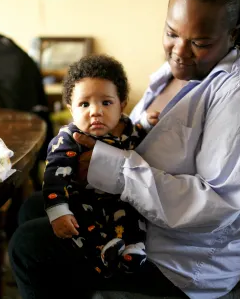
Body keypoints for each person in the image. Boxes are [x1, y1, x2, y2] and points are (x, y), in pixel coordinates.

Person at [8, 0, 240, 298]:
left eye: (199, 41)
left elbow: (217, 206)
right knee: (35, 207)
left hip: (183, 259)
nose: (179, 51)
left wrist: (109, 168)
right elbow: (133, 134)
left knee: (28, 247)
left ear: (234, 34)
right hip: (140, 218)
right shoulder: (174, 72)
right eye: (171, 33)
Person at [43, 54, 159, 276]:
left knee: (132, 212)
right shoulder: (70, 138)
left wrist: (145, 123)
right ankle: (101, 255)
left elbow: (136, 135)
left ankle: (132, 251)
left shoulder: (126, 127)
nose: (95, 111)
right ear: (71, 109)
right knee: (79, 224)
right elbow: (53, 177)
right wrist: (58, 211)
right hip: (83, 199)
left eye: (106, 103)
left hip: (118, 197)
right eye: (84, 104)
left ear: (121, 105)